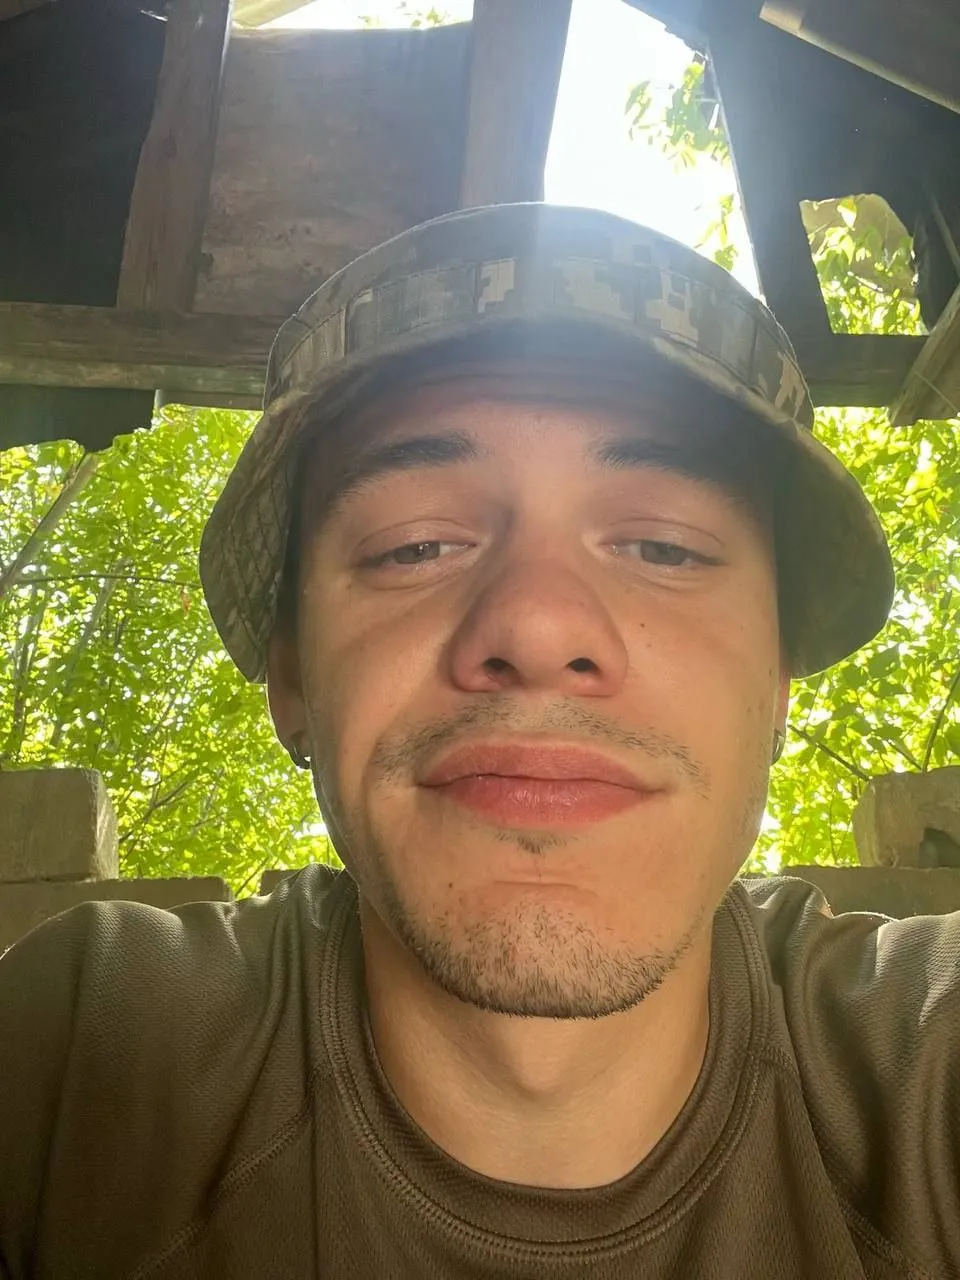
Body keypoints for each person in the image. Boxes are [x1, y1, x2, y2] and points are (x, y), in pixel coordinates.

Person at [0, 203, 955, 1280]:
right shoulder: (76, 1062)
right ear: (293, 680)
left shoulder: (927, 1071)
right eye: (414, 546)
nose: (538, 626)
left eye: (664, 546)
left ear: (776, 682)